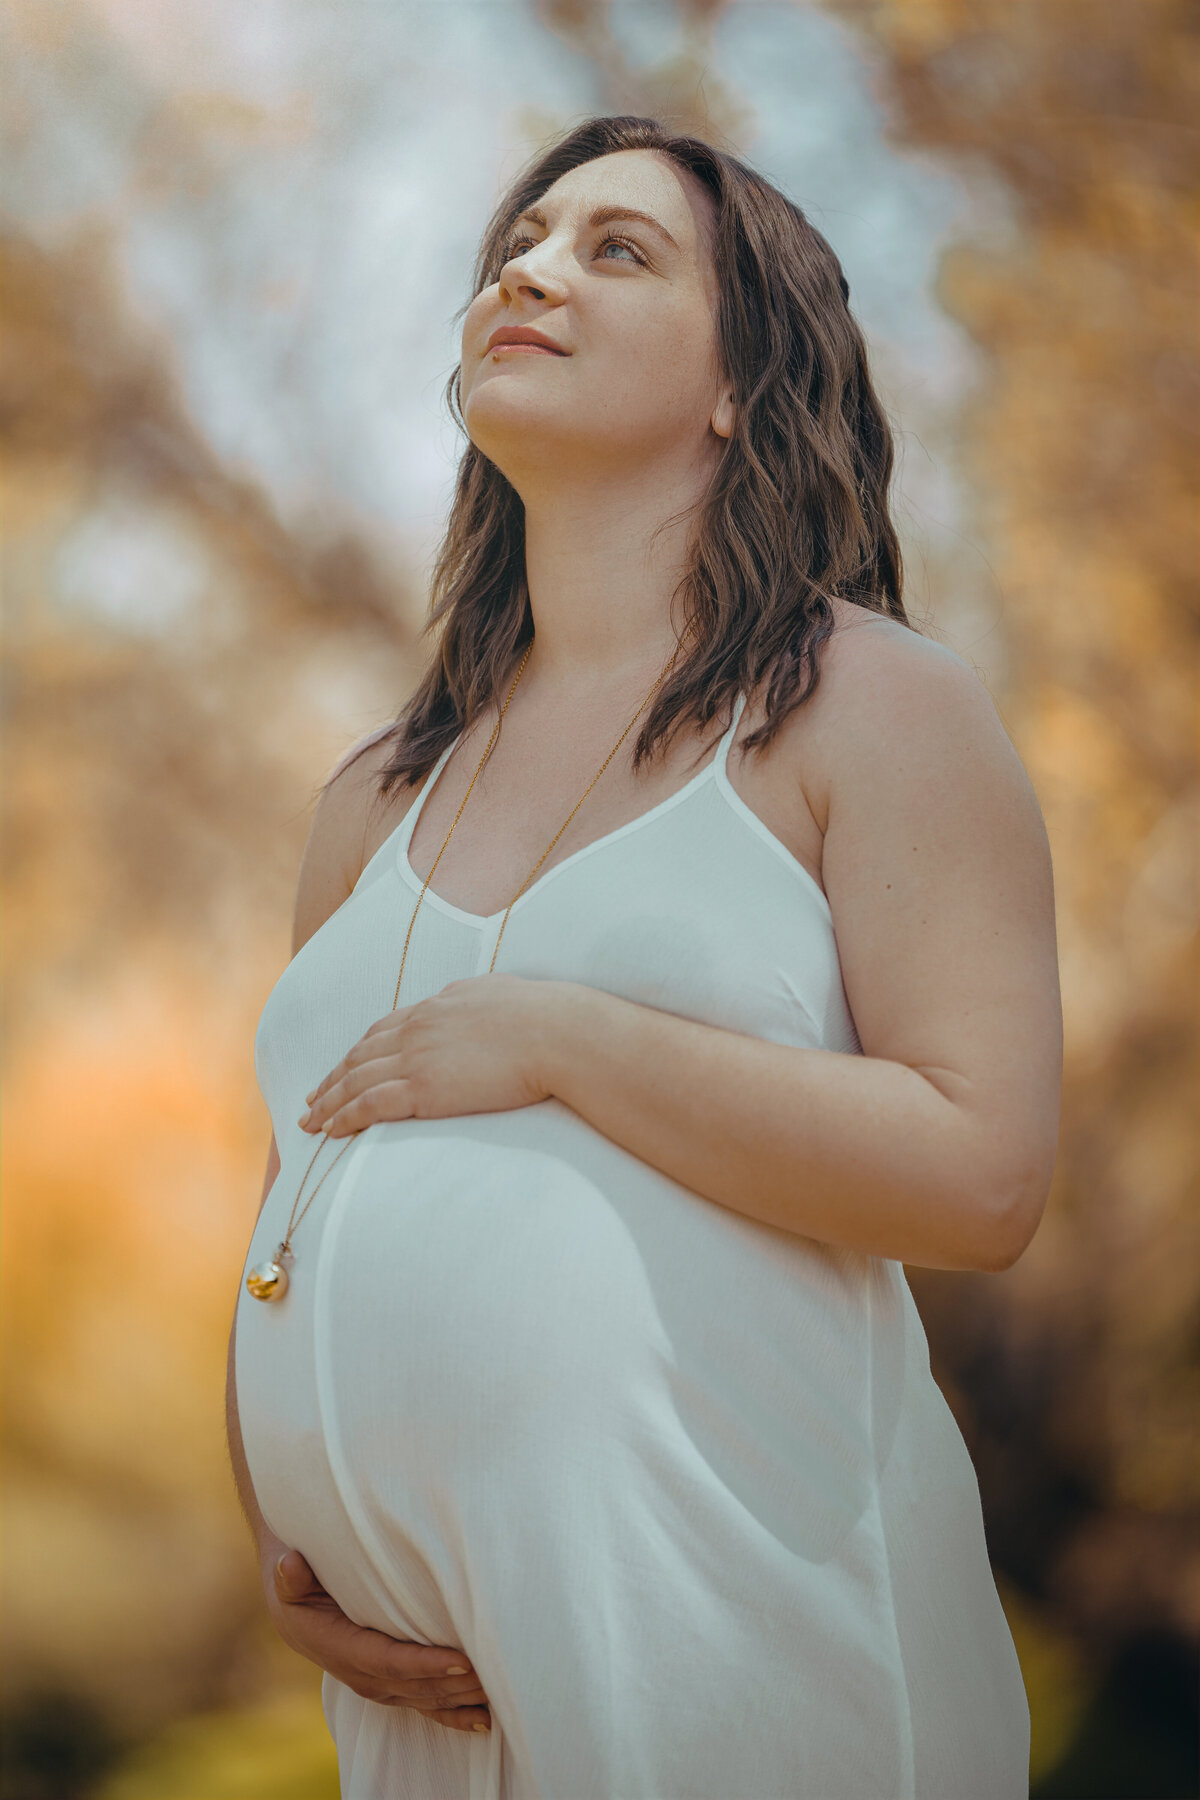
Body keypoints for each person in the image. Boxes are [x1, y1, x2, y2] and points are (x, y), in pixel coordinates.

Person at [226, 113, 1060, 1799]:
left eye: (617, 250)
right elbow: (289, 1208)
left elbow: (984, 1178)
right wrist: (288, 1547)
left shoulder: (867, 701)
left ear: (743, 382)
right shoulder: (373, 796)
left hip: (752, 1690)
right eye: (518, 245)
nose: (529, 270)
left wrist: (563, 1043)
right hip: (419, 1723)